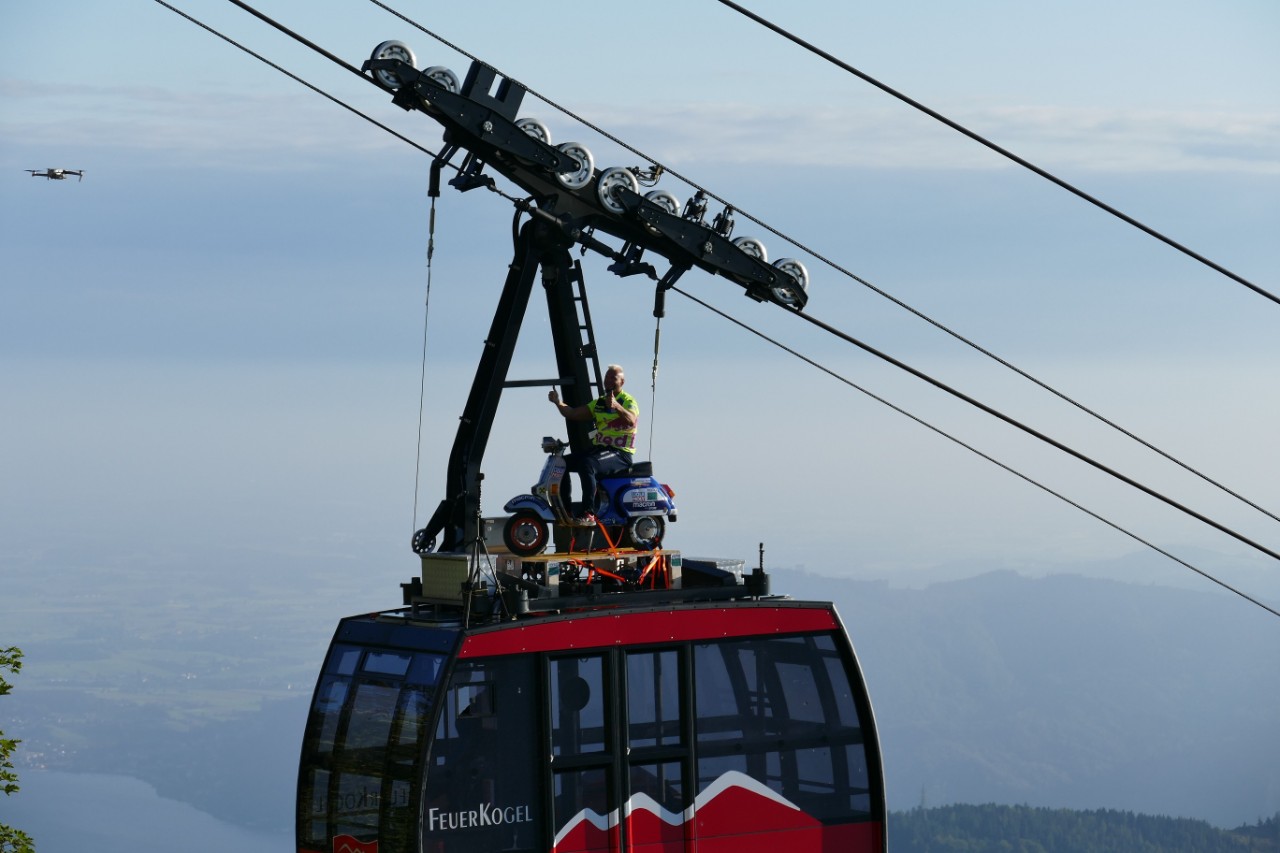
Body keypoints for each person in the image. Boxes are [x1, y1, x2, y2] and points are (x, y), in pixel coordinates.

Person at [548, 364, 639, 522]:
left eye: (614, 378)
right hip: (601, 450)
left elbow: (631, 420)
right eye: (607, 377)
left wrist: (617, 406)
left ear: (622, 382)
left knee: (587, 464)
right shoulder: (599, 403)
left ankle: (588, 513)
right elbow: (573, 413)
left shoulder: (627, 401)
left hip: (620, 453)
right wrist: (557, 402)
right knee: (560, 463)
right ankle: (567, 511)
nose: (609, 380)